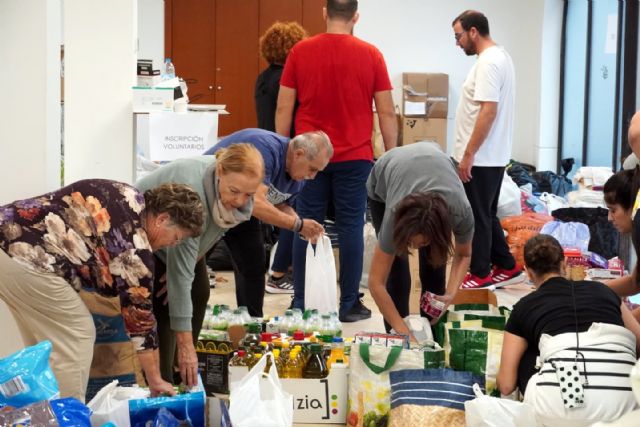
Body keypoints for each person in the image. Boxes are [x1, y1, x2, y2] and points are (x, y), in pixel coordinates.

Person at [0, 180, 204, 401]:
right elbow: (141, 324)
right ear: (162, 219)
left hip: (8, 240)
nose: (173, 245)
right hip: (25, 254)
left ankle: (37, 410)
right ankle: (67, 415)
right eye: (176, 238)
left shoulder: (128, 196)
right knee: (78, 334)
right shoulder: (136, 247)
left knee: (46, 347)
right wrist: (155, 380)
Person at [276, 0, 398, 322]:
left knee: (305, 224)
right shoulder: (371, 54)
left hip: (308, 156)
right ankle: (348, 304)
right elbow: (386, 111)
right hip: (355, 157)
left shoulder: (300, 52)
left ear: (324, 12)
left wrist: (282, 153)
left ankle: (301, 301)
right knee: (351, 228)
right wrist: (392, 156)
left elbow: (284, 107)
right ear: (356, 16)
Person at [136, 143, 264, 386]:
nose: (240, 201)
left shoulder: (234, 199)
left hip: (183, 240)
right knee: (165, 303)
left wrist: (187, 266)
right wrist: (186, 347)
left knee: (200, 292)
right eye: (234, 191)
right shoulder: (194, 193)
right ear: (220, 171)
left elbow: (210, 237)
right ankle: (162, 380)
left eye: (249, 194)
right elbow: (179, 278)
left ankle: (183, 372)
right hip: (151, 238)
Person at [497, 234, 640, 425]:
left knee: (528, 349)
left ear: (528, 273)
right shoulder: (605, 292)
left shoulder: (524, 307)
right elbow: (638, 340)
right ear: (564, 264)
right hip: (627, 404)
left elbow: (506, 385)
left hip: (558, 408)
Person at [204, 129, 330, 305]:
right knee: (194, 266)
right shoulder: (266, 150)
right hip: (211, 197)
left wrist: (304, 229)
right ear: (298, 154)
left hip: (242, 207)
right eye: (312, 169)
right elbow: (255, 202)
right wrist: (298, 225)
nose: (312, 176)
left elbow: (281, 205)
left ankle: (252, 320)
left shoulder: (298, 179)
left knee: (254, 266)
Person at [367, 143, 474, 337]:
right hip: (386, 176)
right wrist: (404, 333)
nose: (415, 248)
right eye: (410, 242)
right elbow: (376, 283)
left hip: (435, 165)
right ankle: (397, 335)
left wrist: (450, 294)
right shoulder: (394, 214)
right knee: (397, 272)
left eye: (422, 243)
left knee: (435, 267)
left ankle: (432, 334)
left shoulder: (461, 211)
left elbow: (464, 255)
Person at [451, 10, 523, 289]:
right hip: (490, 155)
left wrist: (468, 154)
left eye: (458, 36)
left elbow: (488, 112)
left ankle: (480, 273)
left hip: (481, 157)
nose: (457, 43)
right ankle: (507, 265)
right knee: (487, 214)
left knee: (477, 216)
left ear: (473, 32)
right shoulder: (499, 57)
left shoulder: (489, 62)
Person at [255, 20, 308, 295]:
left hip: (264, 152)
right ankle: (278, 272)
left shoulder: (263, 78)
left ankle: (278, 271)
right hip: (285, 154)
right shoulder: (287, 80)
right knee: (291, 212)